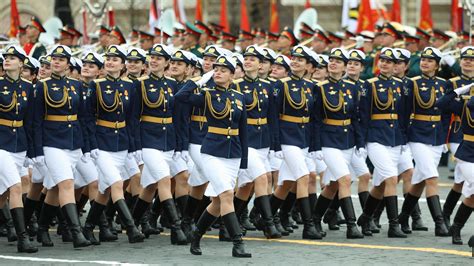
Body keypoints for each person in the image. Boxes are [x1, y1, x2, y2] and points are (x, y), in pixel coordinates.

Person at [176, 55, 251, 258]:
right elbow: (180, 97)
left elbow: (243, 130)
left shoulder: (239, 97)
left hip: (233, 153)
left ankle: (196, 235)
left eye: (223, 70)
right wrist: (199, 80)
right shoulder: (207, 95)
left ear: (232, 75)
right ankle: (238, 242)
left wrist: (244, 161)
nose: (218, 72)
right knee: (227, 195)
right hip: (212, 151)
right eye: (215, 69)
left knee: (219, 201)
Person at [81, 45, 145, 244]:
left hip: (122, 142)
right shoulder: (96, 85)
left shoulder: (130, 86)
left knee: (106, 189)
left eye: (115, 59)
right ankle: (132, 228)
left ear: (122, 64)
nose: (110, 62)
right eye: (107, 58)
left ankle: (89, 228)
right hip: (102, 142)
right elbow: (87, 117)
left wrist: (134, 147)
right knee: (117, 183)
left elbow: (132, 118)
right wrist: (91, 146)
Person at [32, 45, 91, 248]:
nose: (56, 62)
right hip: (52, 142)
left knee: (56, 188)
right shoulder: (42, 86)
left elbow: (83, 117)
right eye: (53, 59)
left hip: (73, 142)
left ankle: (41, 228)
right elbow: (36, 121)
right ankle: (76, 233)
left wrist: (84, 146)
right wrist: (37, 151)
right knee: (66, 184)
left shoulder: (76, 86)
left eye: (60, 59)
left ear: (68, 64)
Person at [130, 44, 188, 245]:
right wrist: (135, 147)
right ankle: (176, 227)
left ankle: (132, 223)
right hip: (148, 139)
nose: (153, 61)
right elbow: (133, 117)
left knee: (150, 185)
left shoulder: (173, 84)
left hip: (168, 139)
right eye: (151, 57)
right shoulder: (140, 84)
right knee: (164, 180)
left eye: (158, 58)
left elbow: (179, 118)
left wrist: (181, 146)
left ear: (166, 63)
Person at [311, 48, 364, 239]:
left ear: (344, 67)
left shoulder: (352, 88)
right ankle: (352, 225)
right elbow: (315, 119)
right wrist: (315, 146)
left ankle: (315, 218)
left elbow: (355, 118)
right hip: (328, 140)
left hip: (347, 139)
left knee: (333, 184)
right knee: (345, 179)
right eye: (331, 60)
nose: (333, 63)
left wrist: (360, 143)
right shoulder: (319, 87)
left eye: (338, 61)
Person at [398, 47, 451, 237]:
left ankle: (403, 217)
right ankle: (440, 222)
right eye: (423, 59)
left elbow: (446, 115)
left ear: (437, 65)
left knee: (419, 181)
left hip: (436, 137)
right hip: (417, 135)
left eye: (430, 60)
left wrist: (444, 138)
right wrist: (403, 138)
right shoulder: (412, 84)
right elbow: (404, 112)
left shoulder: (445, 84)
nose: (425, 63)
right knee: (432, 177)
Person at [269, 45, 320, 240]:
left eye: (301, 60)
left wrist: (314, 145)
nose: (296, 61)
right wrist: (275, 144)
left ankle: (264, 215)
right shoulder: (281, 85)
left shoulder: (311, 87)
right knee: (303, 176)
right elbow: (274, 116)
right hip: (287, 136)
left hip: (303, 137)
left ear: (308, 66)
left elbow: (313, 119)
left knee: (286, 183)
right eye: (294, 58)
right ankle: (309, 226)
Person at [357, 47, 407, 238]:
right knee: (391, 178)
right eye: (382, 60)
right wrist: (361, 142)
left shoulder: (399, 85)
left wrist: (402, 139)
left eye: (389, 61)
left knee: (379, 184)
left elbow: (402, 115)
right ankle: (394, 225)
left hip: (393, 138)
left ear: (395, 66)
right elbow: (363, 116)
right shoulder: (369, 85)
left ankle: (366, 217)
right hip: (375, 137)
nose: (385, 63)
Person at [233, 45, 281, 239]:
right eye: (246, 58)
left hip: (263, 139)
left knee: (247, 185)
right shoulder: (236, 85)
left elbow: (272, 117)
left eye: (253, 59)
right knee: (262, 178)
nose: (248, 61)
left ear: (261, 64)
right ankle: (268, 224)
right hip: (246, 139)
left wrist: (275, 145)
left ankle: (231, 221)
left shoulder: (267, 87)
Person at [0, 45, 38, 253]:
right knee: (15, 187)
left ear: (22, 63)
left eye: (13, 57)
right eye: (6, 57)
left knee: (4, 192)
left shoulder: (28, 88)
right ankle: (23, 238)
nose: (8, 60)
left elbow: (30, 121)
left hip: (19, 143)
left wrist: (32, 152)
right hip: (1, 142)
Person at [437, 49, 474, 245]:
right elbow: (441, 106)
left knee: (469, 192)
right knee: (467, 184)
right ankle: (447, 216)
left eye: (472, 60)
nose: (468, 62)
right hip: (464, 143)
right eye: (465, 59)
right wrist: (460, 91)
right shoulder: (461, 96)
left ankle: (455, 226)